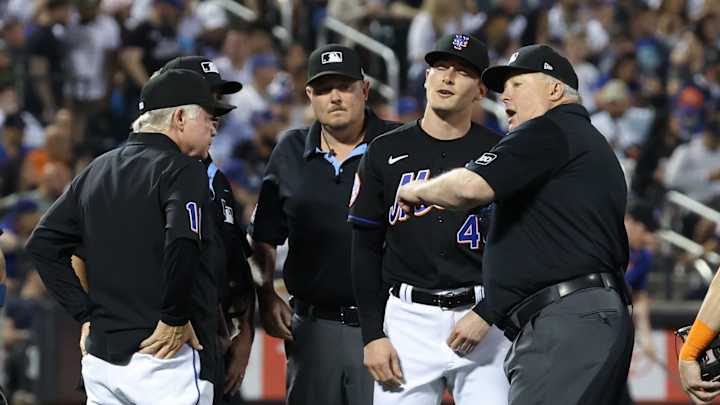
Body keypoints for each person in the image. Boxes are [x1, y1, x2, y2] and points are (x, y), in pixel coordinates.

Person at [395, 44, 634, 404]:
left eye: (517, 84)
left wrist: (416, 190)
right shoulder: (577, 142)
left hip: (566, 318)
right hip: (584, 314)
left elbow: (469, 187)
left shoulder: (549, 130)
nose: (505, 95)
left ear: (555, 90)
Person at [25, 69, 235, 405]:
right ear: (180, 118)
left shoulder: (97, 169)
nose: (213, 128)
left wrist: (85, 314)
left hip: (102, 361)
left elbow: (42, 245)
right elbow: (183, 242)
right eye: (208, 117)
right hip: (164, 359)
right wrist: (174, 317)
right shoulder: (182, 169)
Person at [349, 33, 509, 404]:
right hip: (408, 319)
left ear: (480, 91)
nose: (448, 77)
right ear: (426, 78)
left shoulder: (501, 153)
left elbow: (521, 248)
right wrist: (372, 335)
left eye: (462, 72)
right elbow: (364, 247)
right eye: (440, 67)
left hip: (482, 318)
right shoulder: (385, 150)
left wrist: (488, 312)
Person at [250, 44, 400, 405]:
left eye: (344, 87)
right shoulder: (289, 150)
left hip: (389, 327)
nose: (334, 97)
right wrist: (266, 295)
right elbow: (264, 236)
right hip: (313, 329)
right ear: (309, 95)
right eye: (323, 89)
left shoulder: (399, 146)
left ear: (364, 90)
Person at [161, 56, 254, 405]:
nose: (215, 111)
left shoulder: (217, 180)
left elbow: (235, 264)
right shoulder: (145, 175)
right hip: (165, 346)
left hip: (214, 344)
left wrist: (244, 334)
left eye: (217, 98)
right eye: (206, 98)